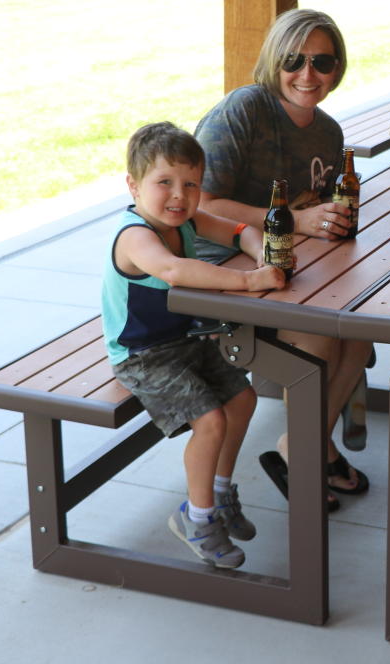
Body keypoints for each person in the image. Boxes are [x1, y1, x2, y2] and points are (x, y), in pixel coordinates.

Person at [193, 7, 372, 512]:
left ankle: (303, 446)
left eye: (322, 62)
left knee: (357, 337)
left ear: (337, 67)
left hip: (280, 268)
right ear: (274, 60)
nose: (307, 74)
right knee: (316, 338)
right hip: (215, 272)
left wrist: (325, 217)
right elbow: (200, 203)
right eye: (294, 60)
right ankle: (310, 452)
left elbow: (313, 210)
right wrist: (294, 220)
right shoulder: (246, 109)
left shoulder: (328, 132)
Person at [101, 122, 287, 568]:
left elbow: (240, 231)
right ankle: (197, 519)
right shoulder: (135, 235)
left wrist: (262, 254)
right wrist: (249, 281)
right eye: (164, 182)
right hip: (142, 355)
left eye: (191, 184)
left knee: (243, 398)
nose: (179, 195)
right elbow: (174, 271)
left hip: (182, 341)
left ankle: (219, 493)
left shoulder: (186, 219)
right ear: (133, 185)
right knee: (211, 421)